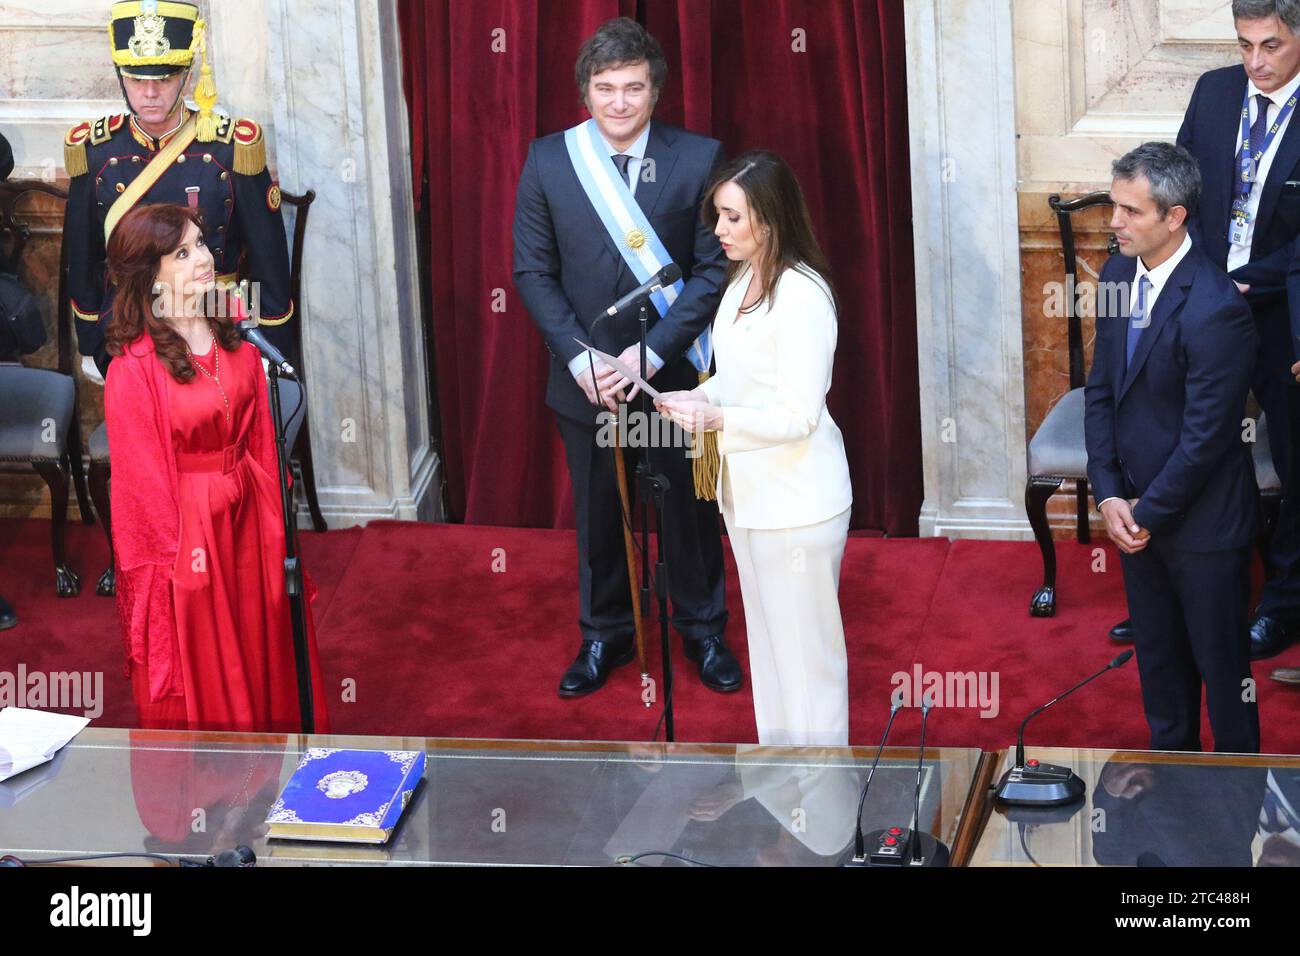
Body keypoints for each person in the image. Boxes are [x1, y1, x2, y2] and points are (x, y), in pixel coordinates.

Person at [513, 17, 741, 697]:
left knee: (688, 511)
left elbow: (712, 271)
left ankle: (702, 630)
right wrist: (584, 362)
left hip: (671, 378)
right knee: (600, 514)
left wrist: (648, 355)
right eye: (605, 87)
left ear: (655, 91)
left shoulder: (699, 158)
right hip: (587, 383)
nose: (619, 102)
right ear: (586, 91)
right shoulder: (549, 159)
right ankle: (604, 633)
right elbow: (532, 272)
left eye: (632, 88)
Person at [1108, 0, 1300, 661]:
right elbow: (1179, 192)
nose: (1256, 62)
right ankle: (1168, 588)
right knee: (1173, 433)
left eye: (1271, 46)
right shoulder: (1215, 90)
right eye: (1245, 44)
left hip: (1283, 315)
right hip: (1201, 305)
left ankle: (1281, 602)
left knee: (1296, 461)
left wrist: (1256, 282)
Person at [103, 202, 328, 733]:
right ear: (149, 273)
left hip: (250, 512)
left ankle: (279, 772)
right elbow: (140, 494)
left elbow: (259, 438)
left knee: (261, 638)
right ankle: (223, 796)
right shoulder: (132, 369)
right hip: (189, 534)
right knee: (211, 663)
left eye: (200, 243)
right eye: (182, 252)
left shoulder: (236, 332)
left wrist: (275, 524)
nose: (203, 258)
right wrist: (171, 583)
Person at [656, 152, 852, 746]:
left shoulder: (801, 296)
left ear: (768, 220)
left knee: (807, 659)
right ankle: (782, 787)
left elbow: (798, 415)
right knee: (769, 648)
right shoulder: (742, 279)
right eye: (718, 215)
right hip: (749, 494)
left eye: (732, 217)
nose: (719, 230)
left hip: (797, 503)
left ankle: (825, 812)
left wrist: (715, 417)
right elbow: (742, 376)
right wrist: (698, 395)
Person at [1084, 142, 1260, 754]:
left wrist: (1145, 517)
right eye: (1115, 206)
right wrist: (1108, 494)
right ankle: (1170, 800)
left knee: (1223, 678)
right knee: (1160, 672)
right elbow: (1100, 390)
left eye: (1131, 211)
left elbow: (1207, 440)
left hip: (1203, 528)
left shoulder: (1217, 310)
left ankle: (1236, 819)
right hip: (1134, 517)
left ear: (1175, 217)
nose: (1115, 222)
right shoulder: (1113, 276)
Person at [65, 0, 295, 382]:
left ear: (187, 76)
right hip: (128, 321)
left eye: (165, 78)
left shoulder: (230, 147)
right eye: (137, 79)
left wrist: (267, 340)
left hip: (217, 318)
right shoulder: (96, 151)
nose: (150, 92)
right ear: (121, 77)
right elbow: (84, 256)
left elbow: (266, 259)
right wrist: (91, 338)